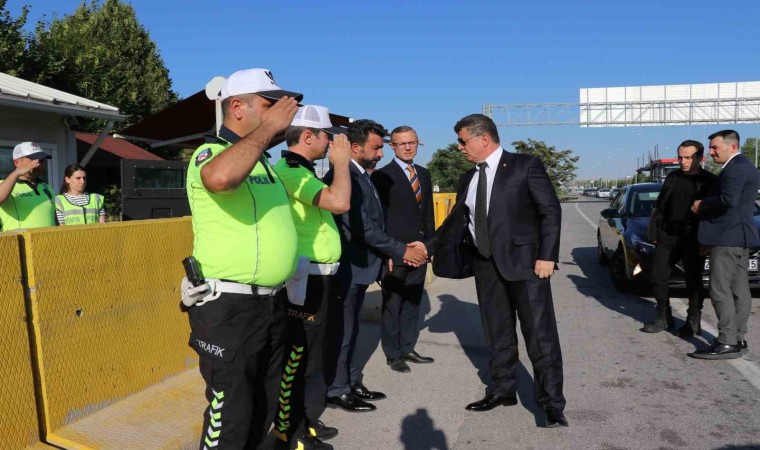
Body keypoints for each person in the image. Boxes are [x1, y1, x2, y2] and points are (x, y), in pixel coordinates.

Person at [183, 68, 301, 449]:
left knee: (263, 405)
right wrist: (268, 129)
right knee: (230, 415)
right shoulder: (210, 153)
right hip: (229, 309)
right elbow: (219, 179)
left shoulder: (261, 162)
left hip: (270, 303)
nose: (282, 112)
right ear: (237, 107)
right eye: (270, 104)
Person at [434, 114, 567, 427]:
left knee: (540, 337)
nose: (459, 147)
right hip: (486, 266)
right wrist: (425, 247)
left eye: (463, 141)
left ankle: (551, 403)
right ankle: (502, 389)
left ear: (483, 139)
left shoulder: (525, 165)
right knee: (497, 334)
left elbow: (550, 211)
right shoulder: (468, 178)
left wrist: (547, 256)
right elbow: (456, 222)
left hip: (527, 265)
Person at [323, 119, 427, 413]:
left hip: (362, 267)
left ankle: (351, 382)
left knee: (352, 331)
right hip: (349, 267)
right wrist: (402, 250)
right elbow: (363, 226)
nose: (381, 154)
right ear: (355, 148)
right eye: (377, 148)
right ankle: (338, 389)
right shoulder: (344, 176)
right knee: (343, 335)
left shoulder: (360, 174)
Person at [271, 105, 351, 450]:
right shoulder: (291, 172)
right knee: (297, 357)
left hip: (319, 275)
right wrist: (342, 164)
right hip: (306, 277)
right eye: (327, 136)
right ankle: (290, 433)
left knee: (311, 355)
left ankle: (304, 420)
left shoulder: (302, 171)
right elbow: (339, 202)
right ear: (307, 136)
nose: (332, 143)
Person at [370, 125, 436, 373]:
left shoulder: (424, 174)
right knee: (393, 304)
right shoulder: (381, 176)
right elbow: (379, 218)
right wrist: (386, 252)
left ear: (418, 143)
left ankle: (408, 347)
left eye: (412, 142)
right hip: (395, 252)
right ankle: (393, 353)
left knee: (412, 303)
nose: (408, 147)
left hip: (420, 250)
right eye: (402, 143)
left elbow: (427, 214)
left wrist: (430, 246)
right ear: (392, 146)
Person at [690, 130, 759, 360]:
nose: (710, 152)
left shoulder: (735, 167)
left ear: (732, 147)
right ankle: (737, 338)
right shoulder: (745, 165)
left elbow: (729, 199)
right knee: (739, 290)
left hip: (727, 238)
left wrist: (702, 204)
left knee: (719, 289)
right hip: (739, 237)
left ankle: (727, 341)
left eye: (714, 148)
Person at [642, 141, 715, 335]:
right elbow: (661, 205)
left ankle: (693, 320)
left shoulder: (709, 181)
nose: (683, 161)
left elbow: (715, 213)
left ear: (700, 158)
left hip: (694, 238)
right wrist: (655, 232)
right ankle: (663, 317)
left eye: (688, 157)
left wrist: (707, 240)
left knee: (693, 280)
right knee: (657, 276)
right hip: (668, 236)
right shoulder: (673, 177)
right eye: (680, 157)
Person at [0, 142, 55, 231]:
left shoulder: (47, 187)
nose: (38, 164)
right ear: (17, 162)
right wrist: (16, 173)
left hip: (47, 239)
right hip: (19, 240)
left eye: (41, 160)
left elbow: (53, 218)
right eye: (33, 160)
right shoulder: (4, 184)